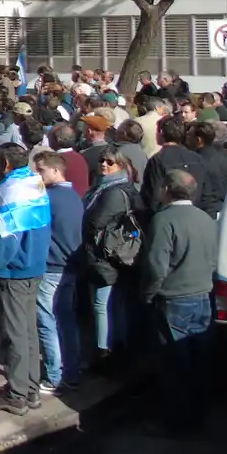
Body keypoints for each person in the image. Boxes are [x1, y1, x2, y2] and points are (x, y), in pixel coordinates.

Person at [139, 169, 218, 436]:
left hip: (174, 300)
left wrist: (148, 294)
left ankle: (176, 423)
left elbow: (156, 266)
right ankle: (199, 418)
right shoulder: (205, 218)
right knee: (198, 363)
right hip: (202, 296)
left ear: (168, 189)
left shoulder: (164, 220)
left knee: (175, 366)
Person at [0, 144, 52, 415]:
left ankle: (17, 394)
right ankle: (30, 387)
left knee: (15, 333)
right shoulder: (34, 181)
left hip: (15, 269)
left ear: (4, 164)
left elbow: (8, 238)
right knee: (27, 331)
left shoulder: (8, 190)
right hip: (36, 263)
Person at [83, 146, 139, 372]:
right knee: (112, 305)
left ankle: (105, 353)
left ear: (122, 166)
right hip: (112, 255)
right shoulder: (106, 187)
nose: (103, 165)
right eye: (101, 161)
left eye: (109, 162)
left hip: (107, 256)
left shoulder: (114, 191)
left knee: (103, 305)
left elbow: (96, 221)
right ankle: (114, 349)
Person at [33, 152, 83, 394]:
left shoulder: (47, 198)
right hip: (70, 267)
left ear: (55, 171)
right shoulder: (74, 197)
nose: (38, 175)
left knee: (47, 322)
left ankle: (54, 376)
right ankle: (72, 372)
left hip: (51, 267)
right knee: (66, 320)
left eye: (41, 171)